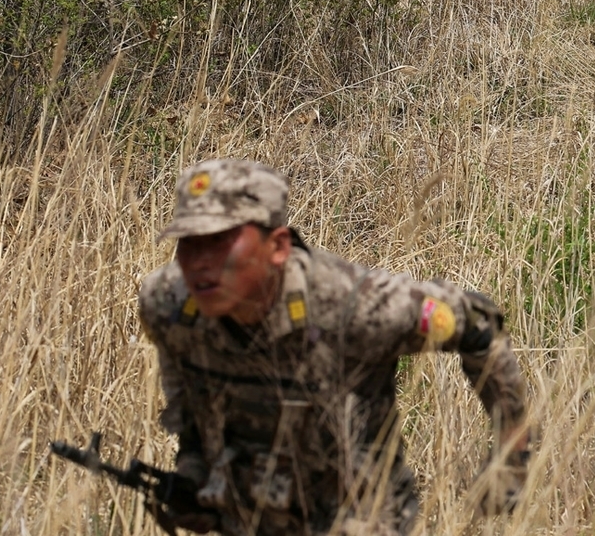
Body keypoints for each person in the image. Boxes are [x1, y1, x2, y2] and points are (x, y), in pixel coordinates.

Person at [139, 159, 530, 535]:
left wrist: (511, 456)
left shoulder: (359, 308)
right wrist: (192, 478)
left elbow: (478, 324)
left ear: (278, 247)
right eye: (189, 244)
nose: (199, 263)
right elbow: (191, 412)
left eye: (220, 242)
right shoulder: (168, 306)